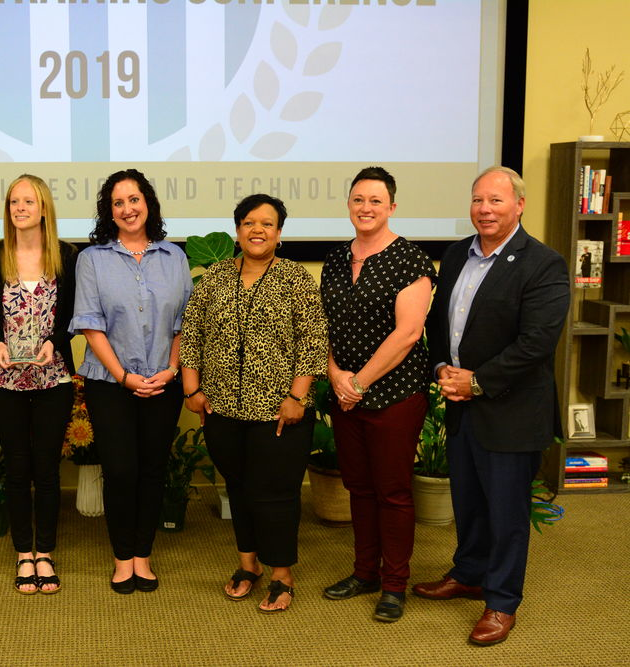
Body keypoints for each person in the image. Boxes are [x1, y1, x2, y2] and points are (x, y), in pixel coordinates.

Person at [415, 166, 569, 645]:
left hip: (510, 408)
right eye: (478, 200)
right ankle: (469, 573)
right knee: (470, 501)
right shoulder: (457, 253)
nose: (484, 209)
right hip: (462, 404)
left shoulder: (543, 263)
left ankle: (502, 601)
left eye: (496, 201)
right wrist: (442, 366)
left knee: (506, 512)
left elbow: (537, 342)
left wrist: (478, 382)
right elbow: (441, 321)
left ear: (519, 205)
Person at [180, 194, 328, 614]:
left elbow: (313, 343)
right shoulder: (216, 278)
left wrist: (297, 396)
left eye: (267, 223)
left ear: (279, 233)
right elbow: (192, 335)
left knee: (276, 494)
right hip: (222, 408)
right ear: (237, 230)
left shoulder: (297, 279)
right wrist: (192, 390)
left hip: (280, 411)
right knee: (240, 488)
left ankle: (282, 574)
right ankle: (249, 566)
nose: (257, 230)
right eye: (248, 222)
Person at [318, 166, 435, 623]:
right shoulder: (333, 260)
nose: (366, 208)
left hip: (393, 397)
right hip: (346, 396)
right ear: (349, 205)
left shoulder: (410, 260)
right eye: (358, 200)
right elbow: (324, 327)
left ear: (392, 207)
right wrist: (336, 376)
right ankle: (364, 572)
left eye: (375, 201)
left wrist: (359, 382)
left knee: (392, 493)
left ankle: (394, 585)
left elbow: (407, 334)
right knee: (359, 489)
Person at [69, 168, 192, 594]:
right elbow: (89, 325)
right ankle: (123, 558)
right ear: (109, 211)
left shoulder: (174, 257)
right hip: (110, 383)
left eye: (134, 199)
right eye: (118, 202)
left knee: (153, 471)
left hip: (164, 380)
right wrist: (124, 376)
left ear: (148, 204)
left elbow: (183, 324)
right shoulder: (92, 260)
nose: (127, 209)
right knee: (121, 471)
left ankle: (144, 555)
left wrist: (172, 369)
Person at [0, 174, 78, 594]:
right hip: (5, 380)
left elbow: (74, 316)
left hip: (53, 378)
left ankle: (46, 551)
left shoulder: (68, 257)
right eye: (13, 201)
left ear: (43, 208)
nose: (20, 208)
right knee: (17, 466)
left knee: (47, 468)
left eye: (29, 201)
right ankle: (24, 554)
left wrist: (55, 343)